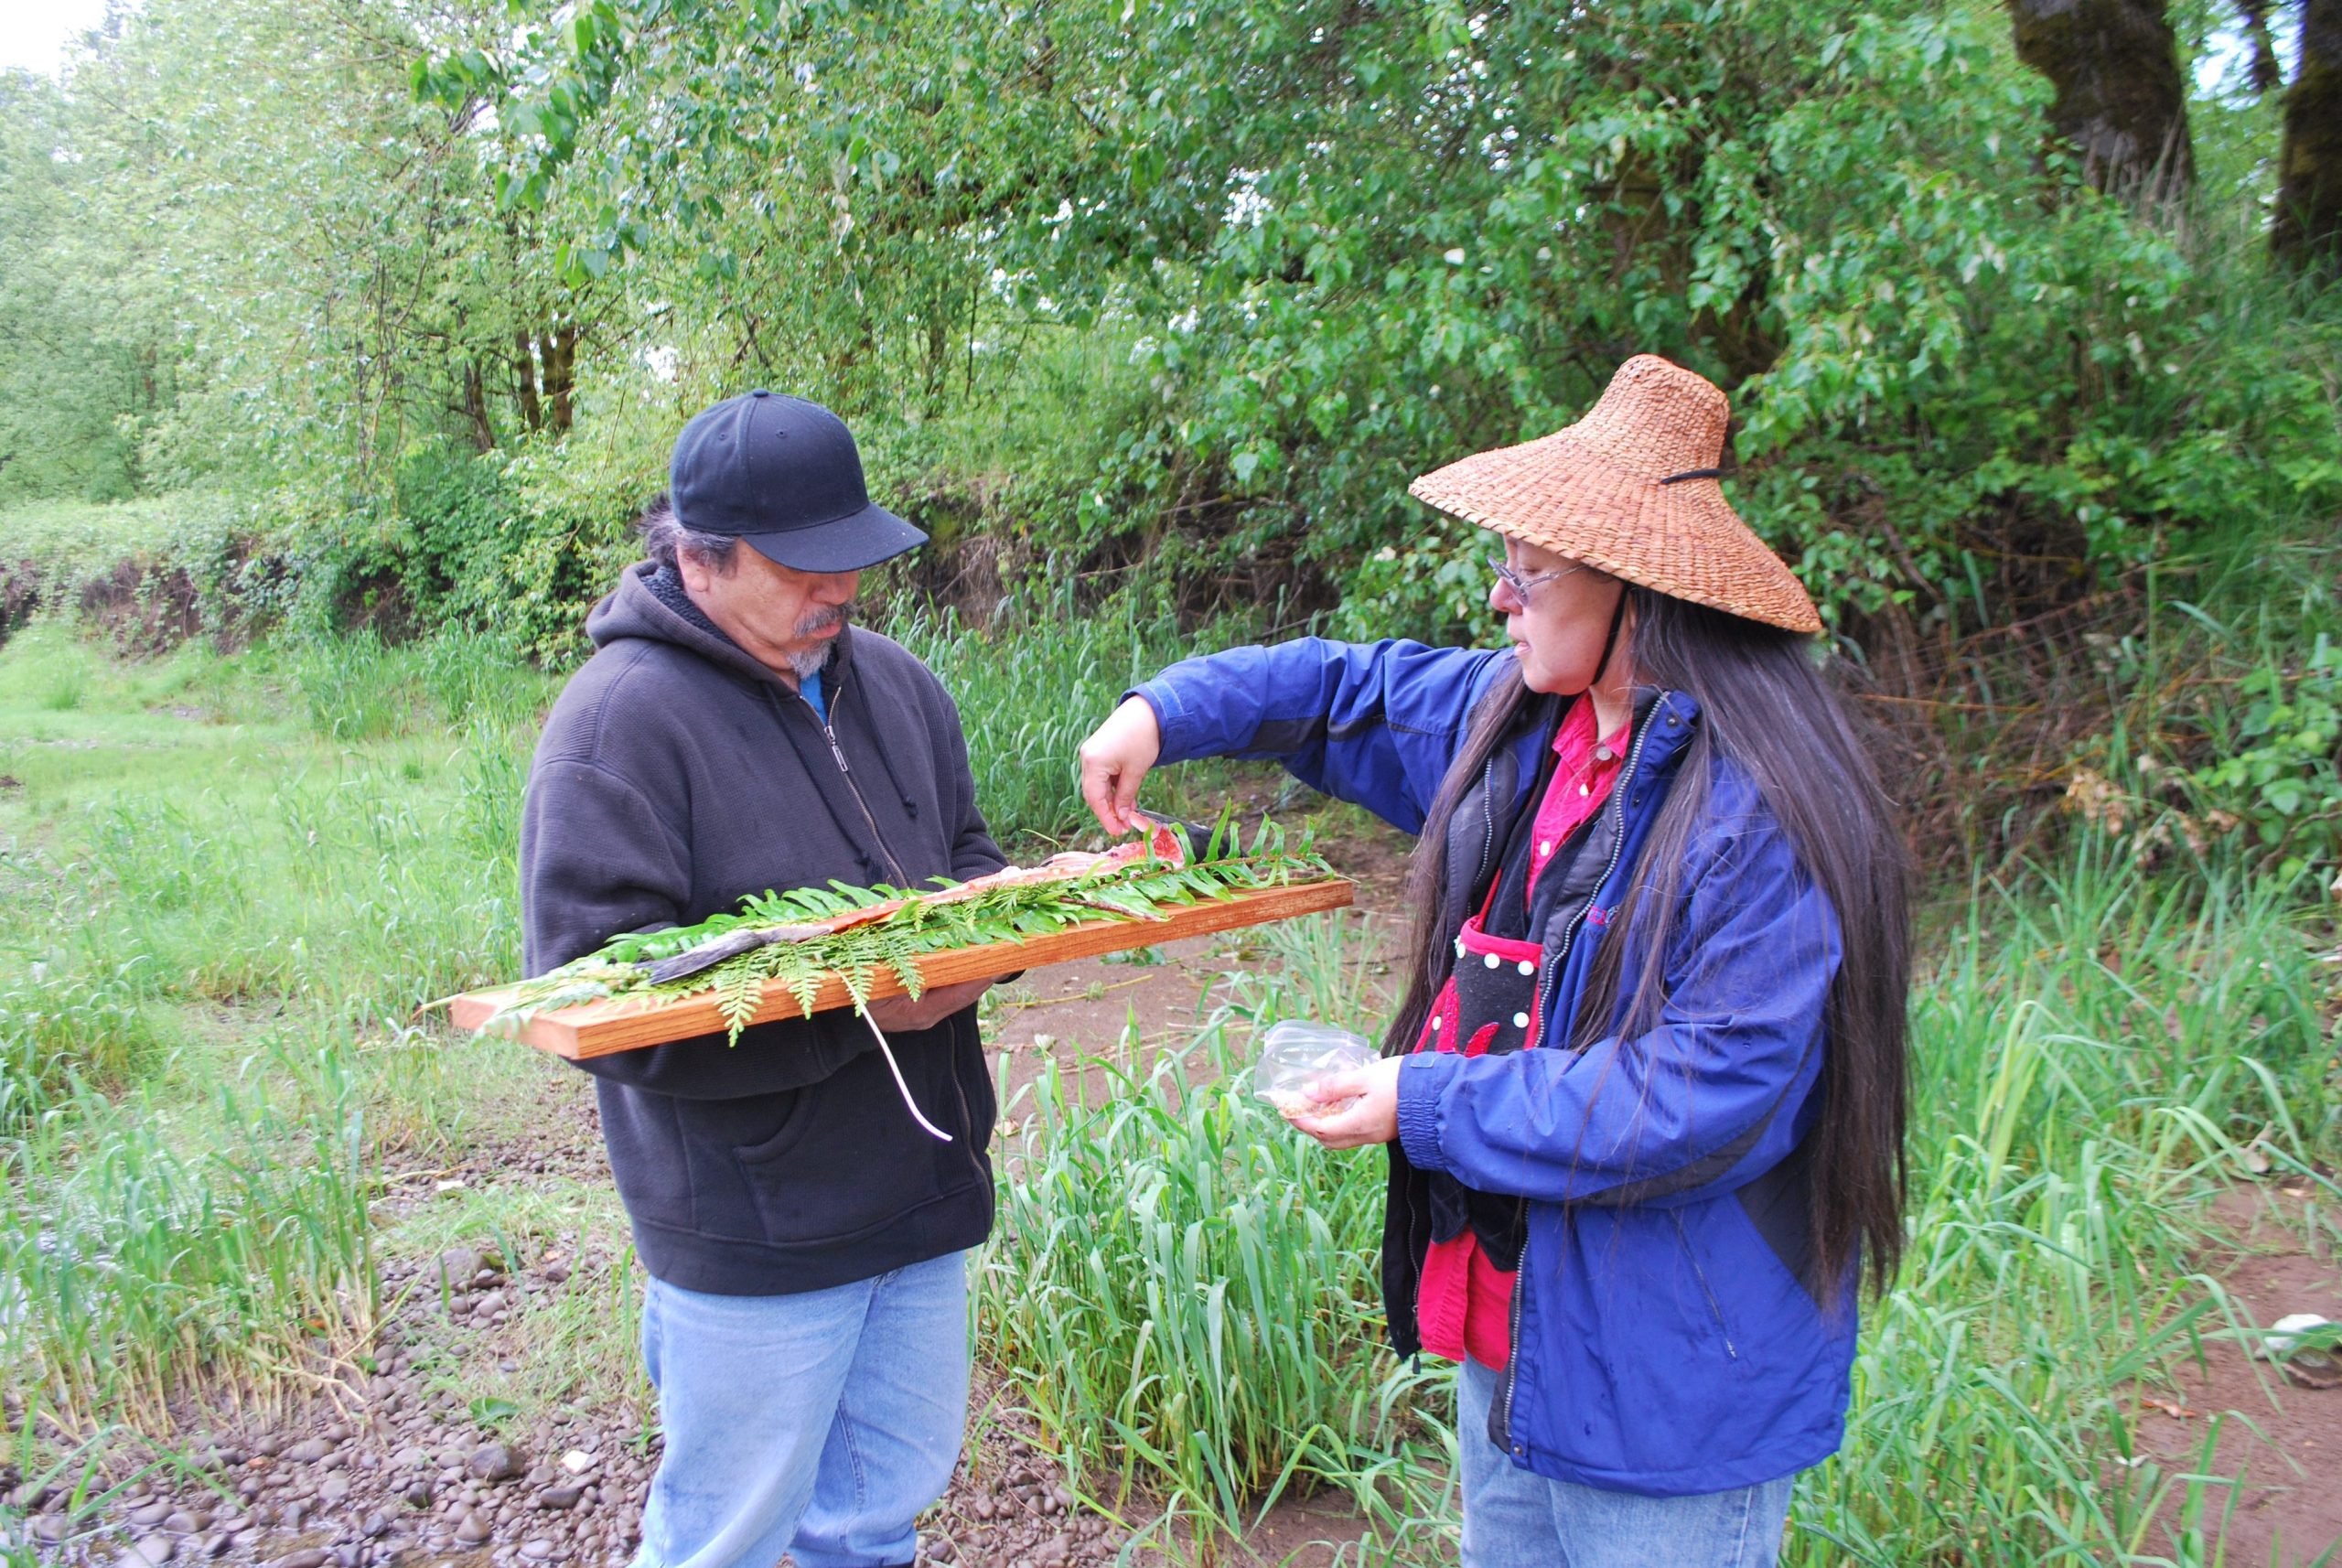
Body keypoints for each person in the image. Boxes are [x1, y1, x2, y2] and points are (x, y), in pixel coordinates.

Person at [1077, 356, 1910, 1567]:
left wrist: (1423, 1097)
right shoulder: (1520, 722)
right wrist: (1162, 712)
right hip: (1517, 1334)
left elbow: (1708, 1094)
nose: (1500, 599)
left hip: (1669, 1389)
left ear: (1634, 585)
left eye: (1527, 571)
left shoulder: (1754, 808)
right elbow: (1339, 693)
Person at [521, 390, 1008, 1568]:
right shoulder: (617, 727)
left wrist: (981, 946)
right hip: (757, 1228)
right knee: (725, 1538)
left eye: (851, 564)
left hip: (923, 1186)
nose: (835, 596)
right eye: (801, 571)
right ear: (699, 557)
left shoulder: (896, 683)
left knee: (875, 1516)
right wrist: (867, 1013)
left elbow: (976, 862)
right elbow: (603, 1009)